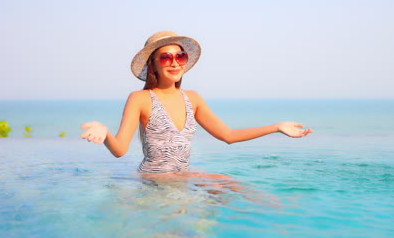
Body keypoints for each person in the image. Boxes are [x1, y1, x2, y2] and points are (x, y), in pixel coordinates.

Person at [81, 31, 313, 184]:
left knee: (231, 186)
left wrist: (276, 127)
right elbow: (120, 150)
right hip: (155, 181)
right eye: (165, 57)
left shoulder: (193, 98)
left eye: (179, 56)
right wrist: (105, 132)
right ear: (153, 64)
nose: (174, 62)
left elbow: (228, 136)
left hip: (182, 178)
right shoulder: (140, 98)